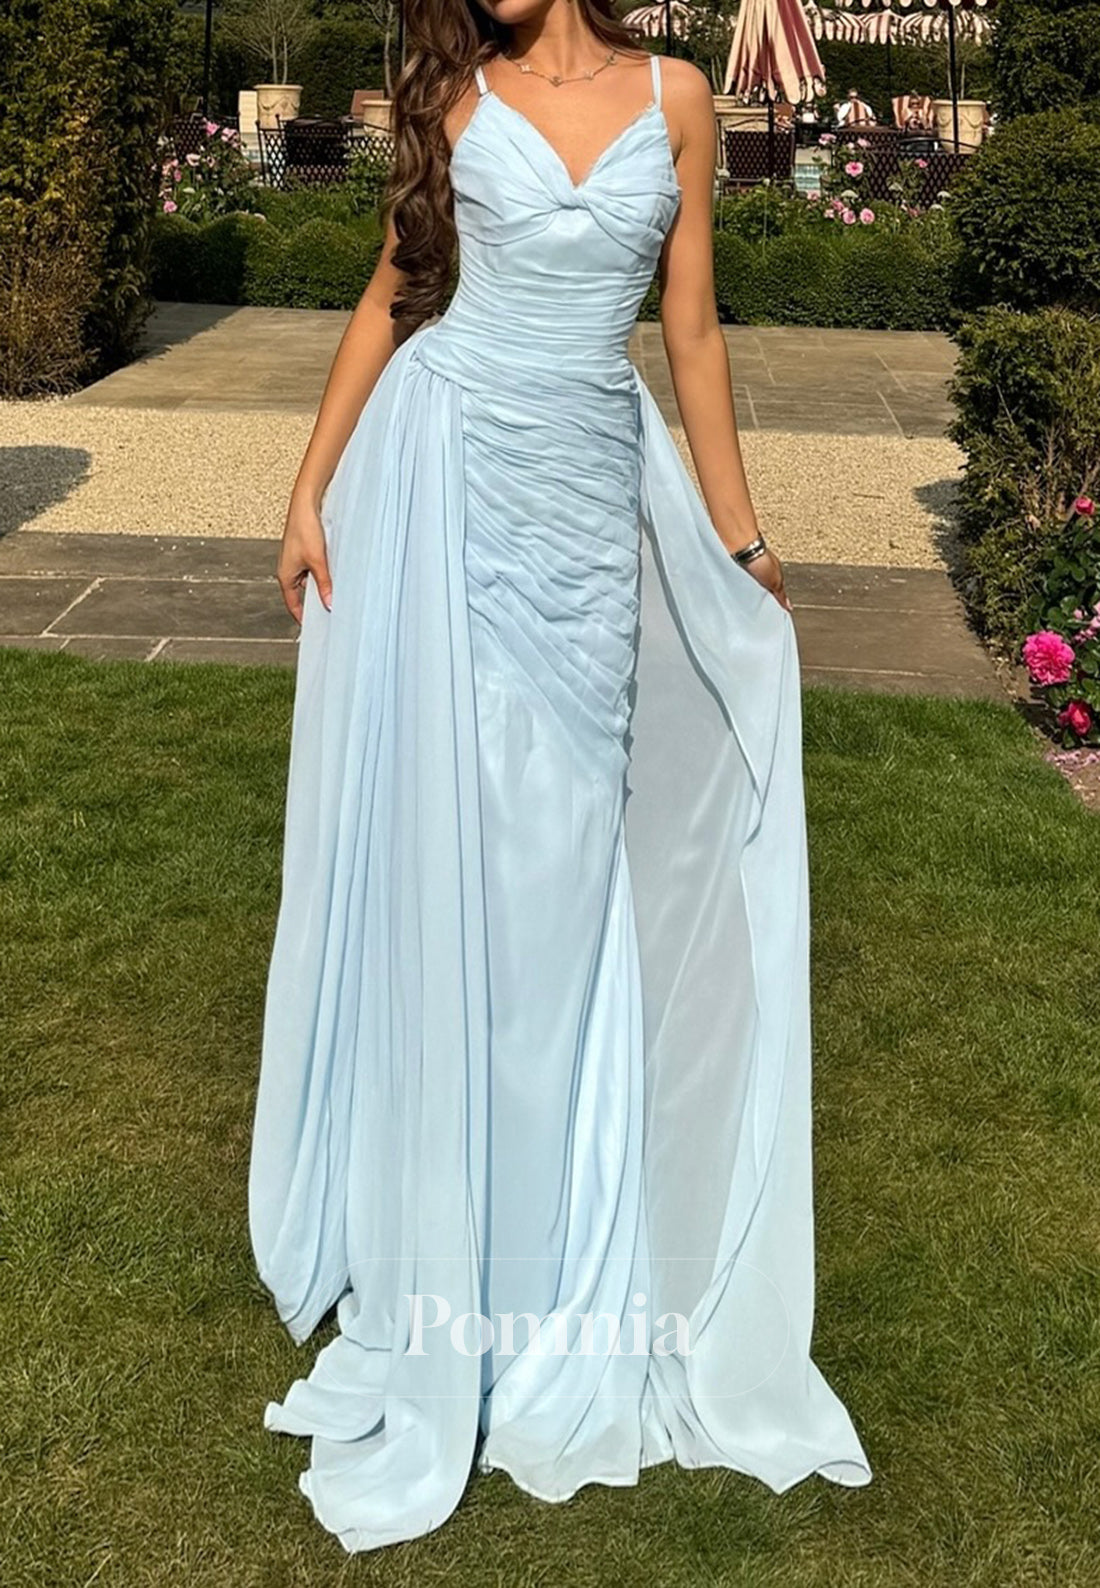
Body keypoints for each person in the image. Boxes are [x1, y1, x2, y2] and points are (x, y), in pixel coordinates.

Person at [248, 0, 872, 1555]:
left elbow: (694, 333)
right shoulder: (458, 95)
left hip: (589, 508)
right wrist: (309, 489)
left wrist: (740, 538)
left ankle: (552, 1239)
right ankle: (456, 1247)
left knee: (571, 867)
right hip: (448, 485)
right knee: (471, 870)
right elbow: (396, 292)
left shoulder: (681, 97)